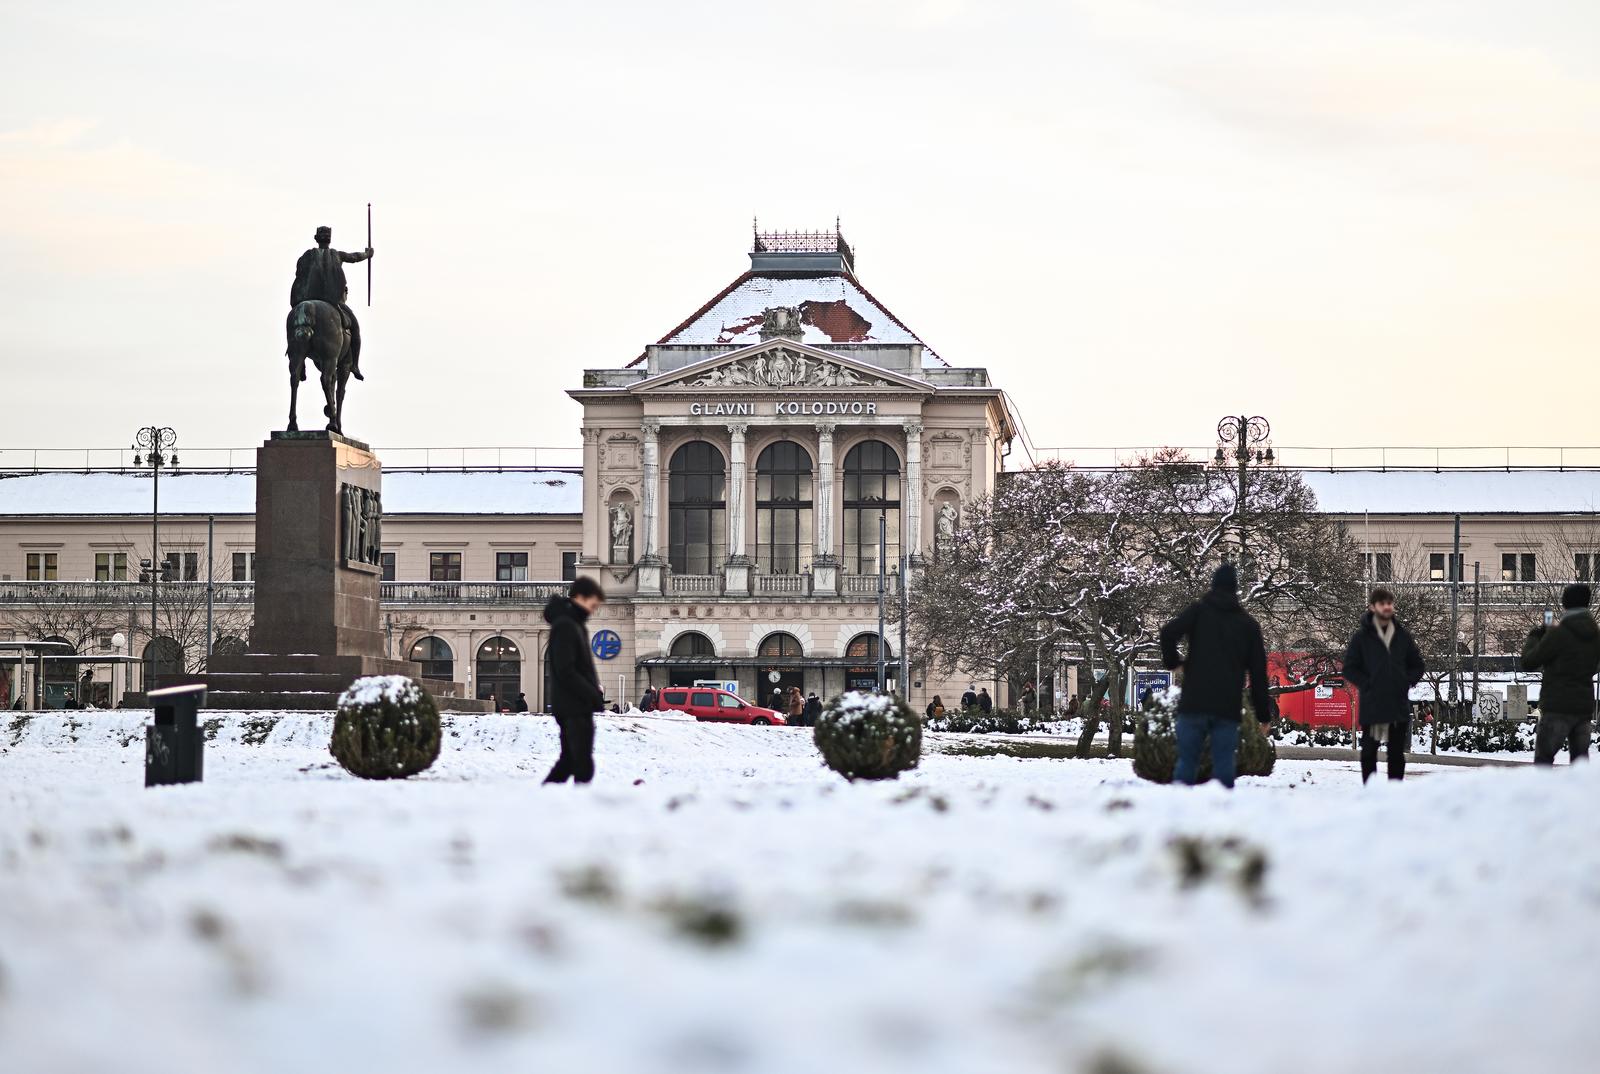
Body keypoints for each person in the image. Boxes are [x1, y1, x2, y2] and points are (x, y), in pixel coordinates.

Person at [1159, 562, 1274, 789]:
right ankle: (1220, 814)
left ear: (1213, 585)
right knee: (1223, 765)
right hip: (1226, 706)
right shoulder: (1248, 625)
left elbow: (1168, 633)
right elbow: (1259, 674)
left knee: (1187, 763)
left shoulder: (1198, 612)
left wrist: (1175, 663)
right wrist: (1263, 715)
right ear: (1235, 589)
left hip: (1194, 701)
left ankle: (1179, 812)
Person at [1341, 586, 1426, 783]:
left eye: (1389, 603)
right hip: (1373, 704)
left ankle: (1394, 792)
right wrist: (1368, 684)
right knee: (1369, 752)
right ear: (1372, 607)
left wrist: (1405, 681)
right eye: (1382, 604)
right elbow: (1349, 668)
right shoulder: (1361, 638)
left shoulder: (1402, 636)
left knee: (1396, 753)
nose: (1387, 607)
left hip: (1397, 704)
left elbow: (1418, 665)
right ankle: (1371, 791)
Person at [1520, 584, 1597, 765]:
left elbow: (1529, 662)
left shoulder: (1558, 634)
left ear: (1565, 603)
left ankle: (1545, 794)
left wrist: (1535, 636)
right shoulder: (1596, 635)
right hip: (1584, 707)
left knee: (1544, 761)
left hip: (1557, 706)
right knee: (1580, 764)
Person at [542, 577, 606, 785]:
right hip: (573, 706)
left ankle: (543, 798)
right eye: (592, 605)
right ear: (580, 598)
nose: (593, 610)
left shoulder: (572, 624)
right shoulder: (566, 626)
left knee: (570, 760)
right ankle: (579, 806)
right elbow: (566, 670)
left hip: (575, 703)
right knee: (581, 763)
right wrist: (591, 694)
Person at [289, 225, 373, 379]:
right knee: (355, 327)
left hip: (307, 297)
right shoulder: (336, 255)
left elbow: (299, 273)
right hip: (333, 300)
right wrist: (367, 254)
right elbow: (354, 257)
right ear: (329, 239)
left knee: (296, 322)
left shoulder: (307, 256)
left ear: (317, 239)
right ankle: (354, 365)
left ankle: (297, 358)